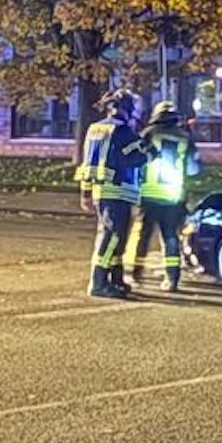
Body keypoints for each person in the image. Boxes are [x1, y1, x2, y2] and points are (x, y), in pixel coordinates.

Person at [74, 88, 151, 298]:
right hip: (119, 191)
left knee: (114, 236)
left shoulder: (95, 129)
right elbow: (137, 157)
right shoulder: (124, 131)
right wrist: (148, 150)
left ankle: (116, 280)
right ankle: (99, 282)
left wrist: (85, 192)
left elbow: (88, 162)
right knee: (113, 238)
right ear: (127, 109)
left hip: (101, 191)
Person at [130, 100, 201, 292]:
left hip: (149, 195)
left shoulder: (148, 133)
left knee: (143, 236)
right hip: (173, 196)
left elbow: (136, 160)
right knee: (170, 238)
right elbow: (194, 169)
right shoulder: (185, 137)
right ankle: (172, 279)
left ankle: (135, 275)